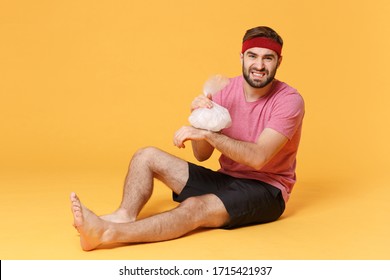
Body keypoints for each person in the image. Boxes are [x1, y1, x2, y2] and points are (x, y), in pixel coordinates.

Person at [70, 26, 305, 251]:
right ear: (242, 57)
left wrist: (206, 133)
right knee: (146, 156)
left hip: (266, 190)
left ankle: (106, 233)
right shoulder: (224, 89)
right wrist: (200, 118)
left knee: (194, 206)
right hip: (226, 180)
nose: (259, 65)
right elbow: (202, 155)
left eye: (268, 58)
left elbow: (258, 158)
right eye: (253, 56)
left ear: (279, 62)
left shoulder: (288, 100)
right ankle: (123, 215)